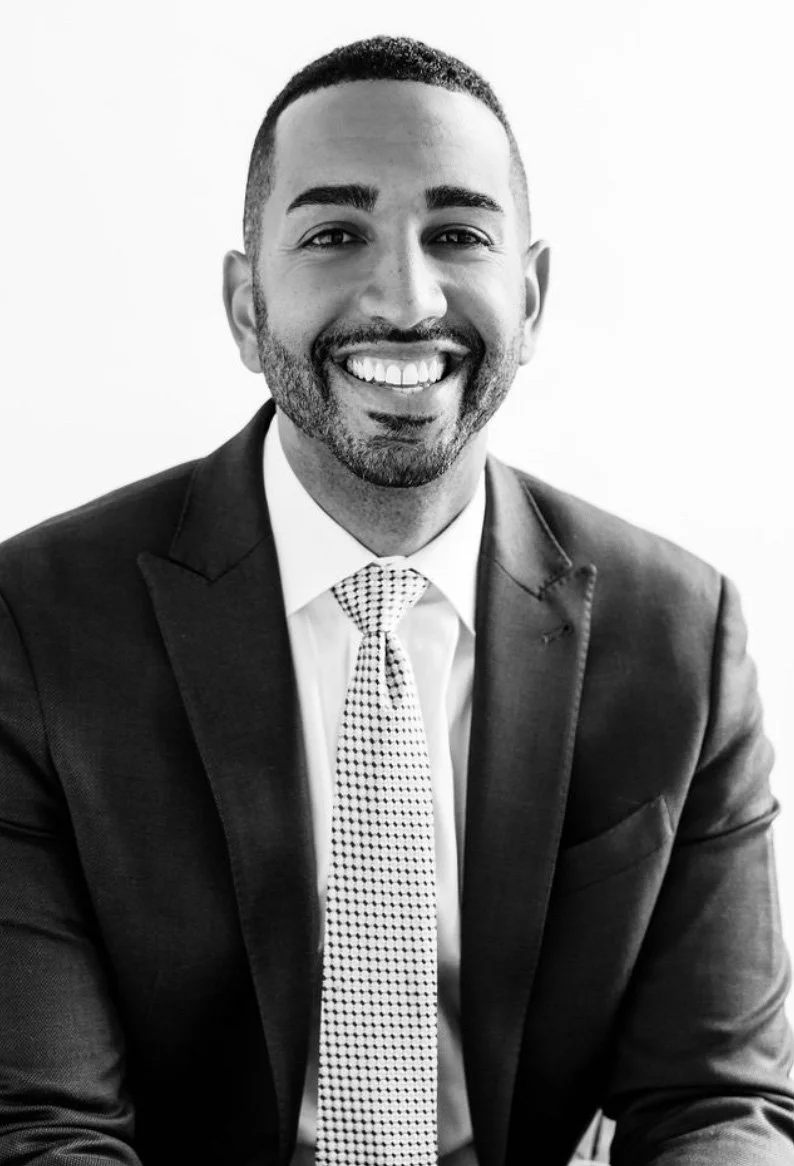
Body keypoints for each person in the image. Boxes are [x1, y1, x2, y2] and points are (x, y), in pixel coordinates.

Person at [0, 32, 792, 1166]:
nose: (407, 298)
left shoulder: (680, 635)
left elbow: (718, 1103)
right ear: (245, 306)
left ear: (531, 296)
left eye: (457, 235)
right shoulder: (36, 624)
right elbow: (42, 1124)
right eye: (334, 234)